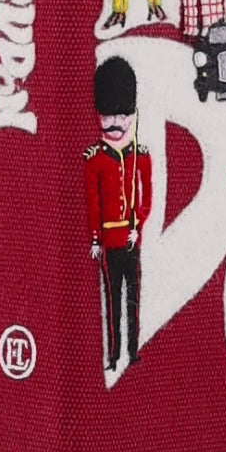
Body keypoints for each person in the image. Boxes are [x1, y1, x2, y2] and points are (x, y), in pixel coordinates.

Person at [84, 56, 152, 371]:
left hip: (131, 239)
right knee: (112, 301)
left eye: (123, 115)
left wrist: (140, 224)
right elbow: (94, 202)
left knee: (133, 298)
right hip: (110, 241)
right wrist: (96, 239)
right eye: (109, 115)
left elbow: (145, 193)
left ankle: (133, 350)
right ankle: (112, 355)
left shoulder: (140, 156)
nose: (115, 123)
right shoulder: (95, 160)